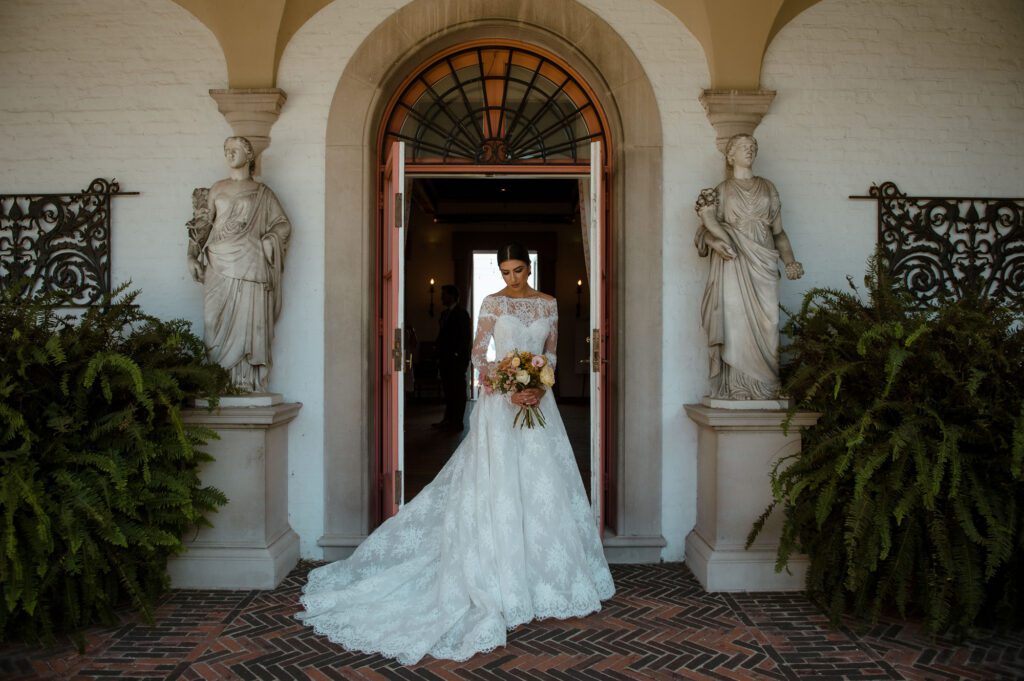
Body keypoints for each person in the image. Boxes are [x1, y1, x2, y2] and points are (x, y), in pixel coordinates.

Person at [296, 242, 614, 665]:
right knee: (499, 482)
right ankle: (499, 573)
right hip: (501, 407)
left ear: (529, 267)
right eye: (505, 271)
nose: (511, 278)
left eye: (518, 270)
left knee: (542, 485)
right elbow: (479, 354)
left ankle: (545, 577)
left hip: (540, 404)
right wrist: (506, 382)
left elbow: (551, 353)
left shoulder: (549, 304)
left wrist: (539, 384)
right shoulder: (491, 302)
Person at [694, 133, 803, 400]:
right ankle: (736, 387)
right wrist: (715, 241)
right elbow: (703, 232)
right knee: (734, 321)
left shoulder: (768, 187)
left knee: (770, 322)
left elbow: (778, 232)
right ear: (730, 156)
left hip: (763, 261)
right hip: (733, 264)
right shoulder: (721, 190)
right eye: (743, 147)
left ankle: (766, 386)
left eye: (752, 147)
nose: (749, 151)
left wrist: (790, 261)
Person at [186, 136, 292, 392]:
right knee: (212, 322)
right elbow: (201, 225)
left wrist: (270, 239)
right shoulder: (216, 188)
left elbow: (283, 224)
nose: (229, 154)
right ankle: (216, 380)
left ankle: (245, 382)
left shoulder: (263, 194)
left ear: (249, 155)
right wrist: (191, 255)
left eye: (234, 149)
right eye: (226, 150)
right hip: (218, 262)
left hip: (250, 262)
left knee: (249, 323)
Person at [433, 284, 472, 431]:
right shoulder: (444, 314)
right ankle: (447, 420)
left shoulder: (461, 313)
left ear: (452, 296)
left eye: (444, 294)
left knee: (458, 391)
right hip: (445, 359)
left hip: (456, 360)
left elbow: (465, 338)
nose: (441, 297)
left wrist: (457, 355)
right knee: (448, 391)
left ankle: (457, 422)